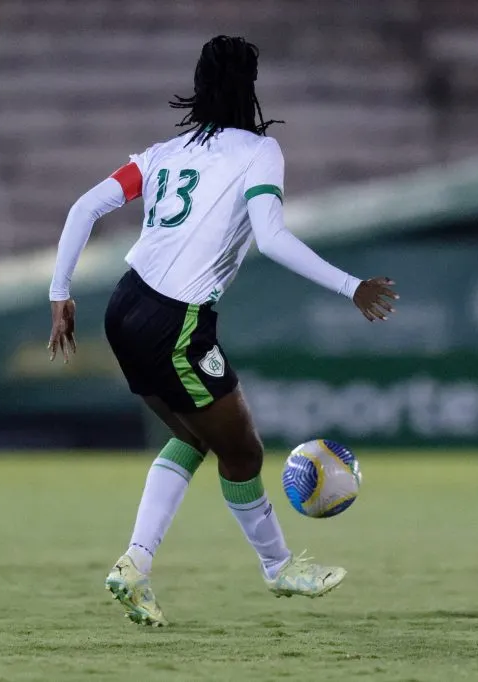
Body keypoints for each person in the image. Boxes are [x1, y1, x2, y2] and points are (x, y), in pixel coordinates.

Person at [47, 35, 398, 627]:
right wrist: (351, 286)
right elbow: (273, 238)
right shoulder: (259, 151)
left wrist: (60, 294)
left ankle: (134, 565)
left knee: (193, 436)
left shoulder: (162, 151)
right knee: (244, 450)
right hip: (176, 320)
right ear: (249, 87)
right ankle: (278, 568)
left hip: (124, 305)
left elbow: (84, 207)